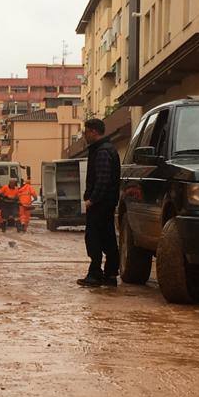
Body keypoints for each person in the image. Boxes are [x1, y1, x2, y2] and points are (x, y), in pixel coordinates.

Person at [79, 118, 121, 287]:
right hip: (106, 203)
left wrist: (92, 200)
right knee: (108, 237)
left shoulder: (102, 151)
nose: (84, 136)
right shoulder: (104, 149)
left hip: (100, 204)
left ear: (94, 132)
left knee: (94, 238)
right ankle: (110, 275)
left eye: (86, 132)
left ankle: (96, 273)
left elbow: (103, 179)